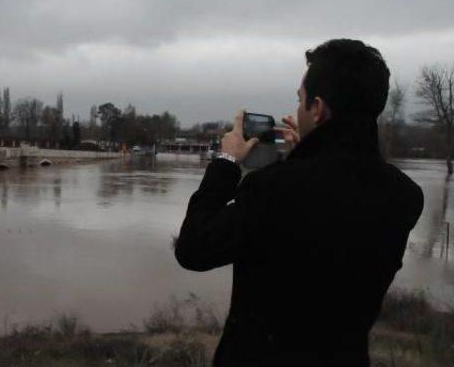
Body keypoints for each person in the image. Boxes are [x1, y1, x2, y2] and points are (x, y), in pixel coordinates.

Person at [174, 39, 424, 366]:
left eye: (301, 100)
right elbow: (333, 209)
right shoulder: (404, 195)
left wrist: (225, 161)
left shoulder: (272, 189)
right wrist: (303, 159)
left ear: (317, 109)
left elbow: (194, 247)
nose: (297, 110)